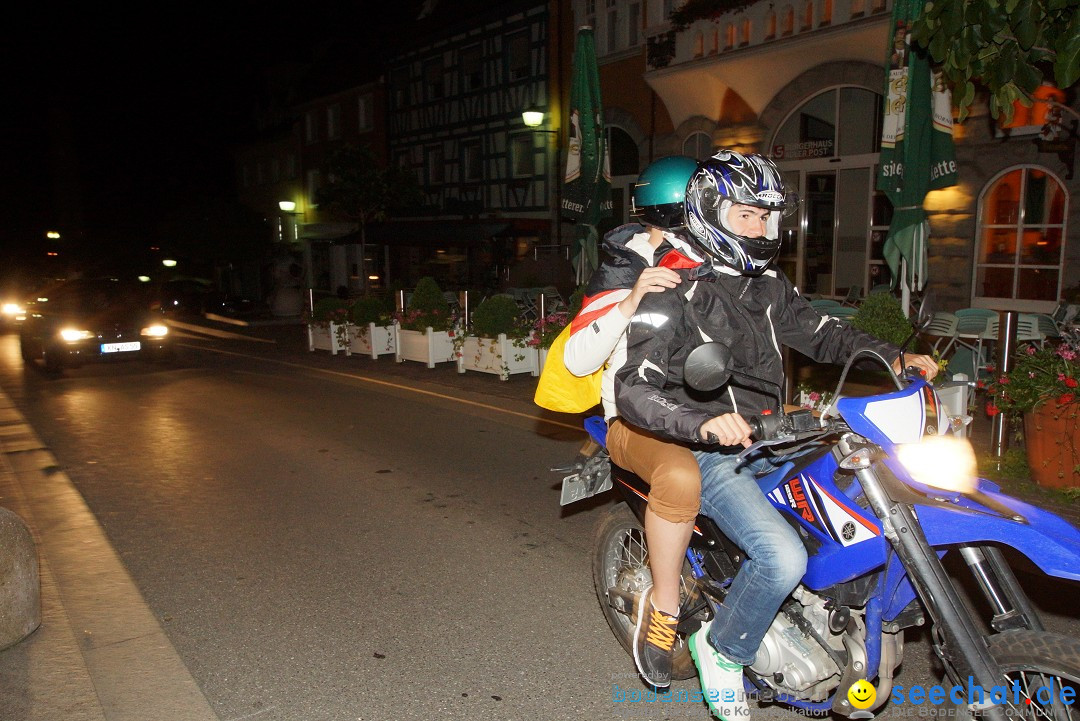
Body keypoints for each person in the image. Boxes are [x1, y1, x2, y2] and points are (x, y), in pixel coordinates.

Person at [613, 150, 939, 719]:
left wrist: (896, 357)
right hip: (713, 454)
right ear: (711, 211)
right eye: (747, 216)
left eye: (768, 218)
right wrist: (701, 422)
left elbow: (824, 334)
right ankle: (724, 651)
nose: (761, 229)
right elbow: (634, 388)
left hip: (779, 438)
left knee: (874, 520)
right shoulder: (672, 290)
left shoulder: (769, 286)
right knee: (781, 556)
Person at [563, 155, 707, 689]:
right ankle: (663, 614)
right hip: (641, 421)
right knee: (679, 477)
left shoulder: (726, 258)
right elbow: (578, 359)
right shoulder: (624, 268)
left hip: (717, 416)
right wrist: (628, 302)